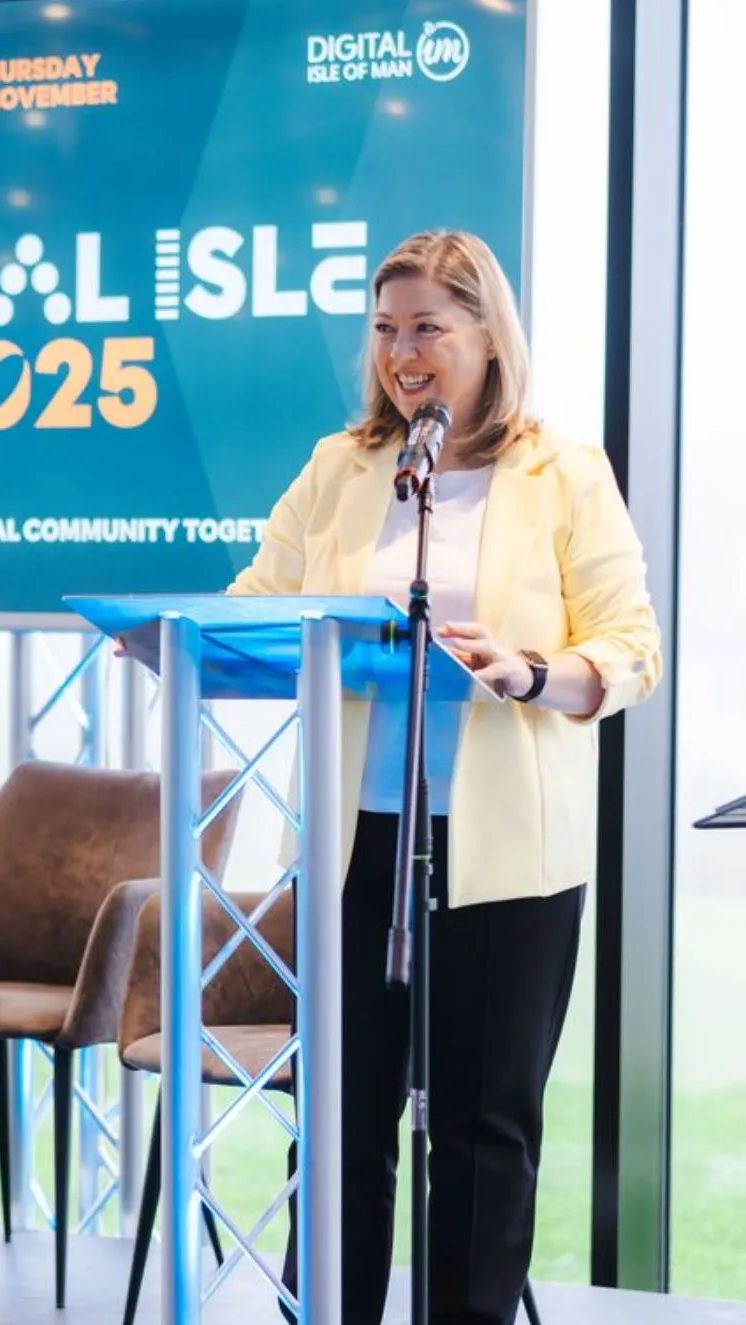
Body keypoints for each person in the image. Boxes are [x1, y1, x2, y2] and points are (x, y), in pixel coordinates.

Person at [225, 230, 662, 1325]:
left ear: (485, 336)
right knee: (341, 1116)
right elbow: (254, 603)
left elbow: (631, 648)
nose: (401, 351)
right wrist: (186, 639)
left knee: (478, 1128)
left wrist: (524, 670)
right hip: (352, 839)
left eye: (428, 326)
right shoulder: (343, 466)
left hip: (505, 850)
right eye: (385, 328)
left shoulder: (563, 471)